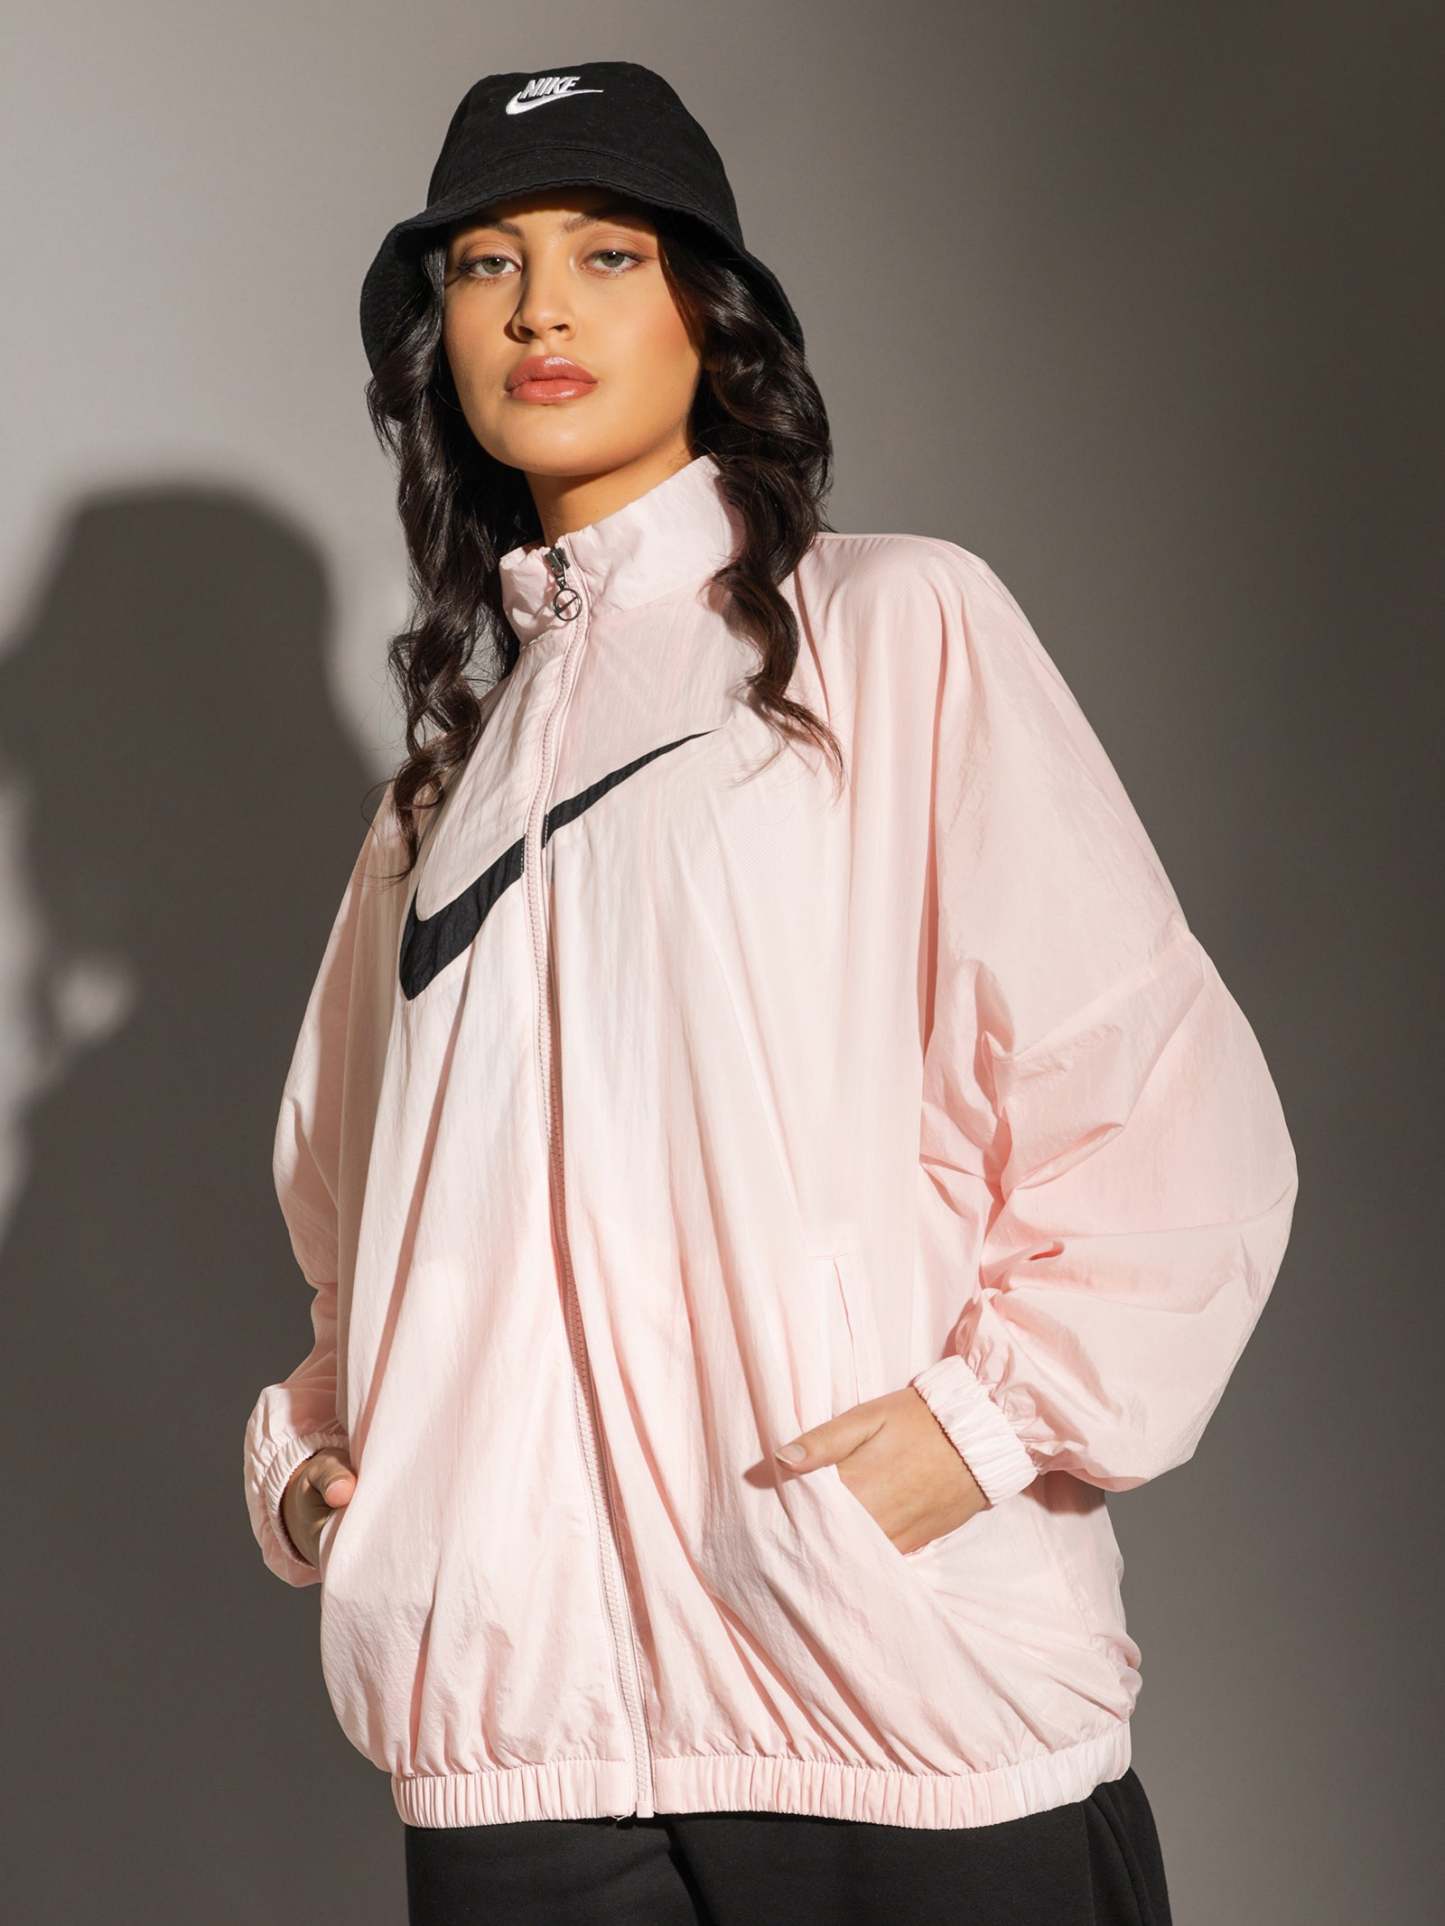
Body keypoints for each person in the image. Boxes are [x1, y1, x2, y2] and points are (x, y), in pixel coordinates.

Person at [242, 60, 1298, 1926]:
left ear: (707, 313)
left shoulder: (889, 635)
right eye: (485, 264)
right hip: (526, 1757)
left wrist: (980, 1431)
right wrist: (336, 1468)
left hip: (884, 1699)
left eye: (605, 254)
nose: (540, 308)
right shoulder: (436, 801)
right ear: (440, 338)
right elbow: (359, 1219)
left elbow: (1154, 1104)